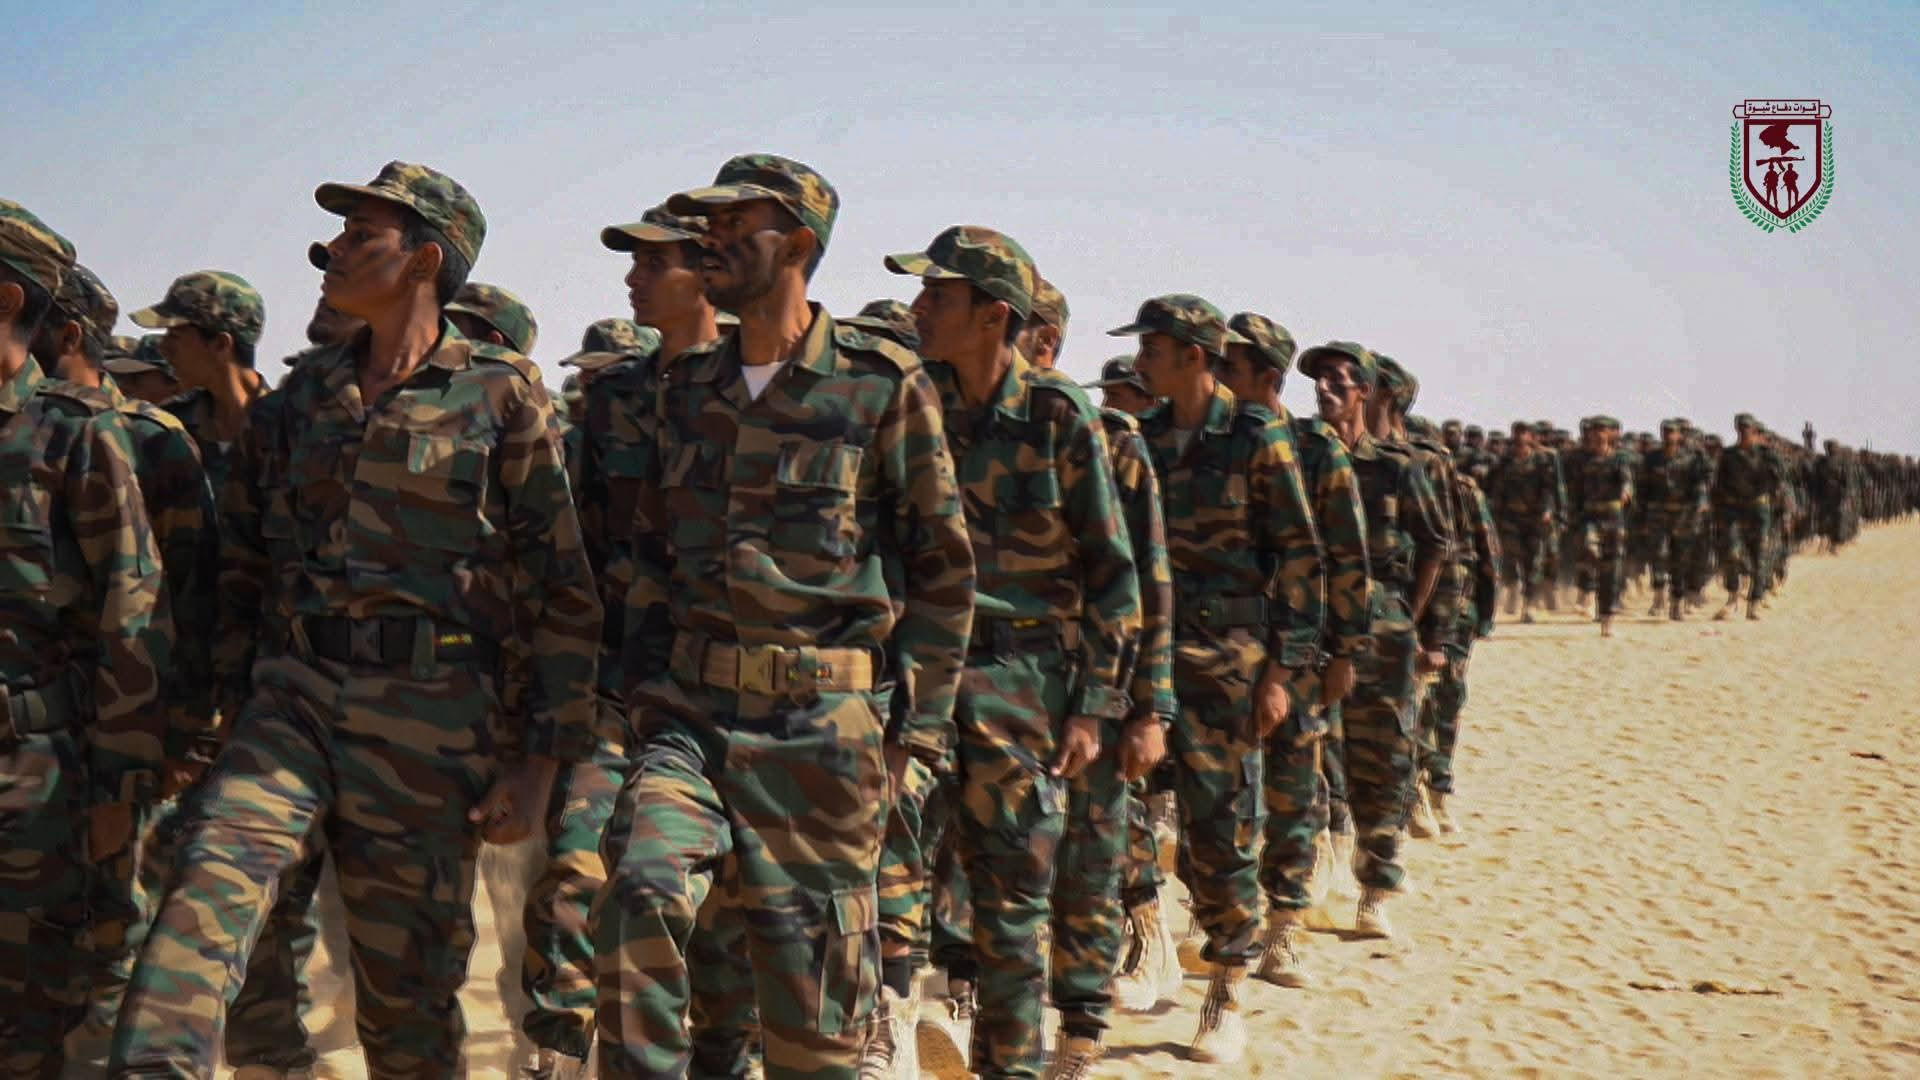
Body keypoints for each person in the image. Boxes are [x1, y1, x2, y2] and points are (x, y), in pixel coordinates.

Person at [111, 160, 601, 1077]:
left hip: (431, 722)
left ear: (424, 260)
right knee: (196, 911)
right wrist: (225, 714)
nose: (332, 249)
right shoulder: (300, 400)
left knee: (407, 1015)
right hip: (291, 704)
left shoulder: (500, 394)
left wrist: (539, 764)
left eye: (360, 234)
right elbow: (243, 569)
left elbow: (559, 590)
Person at [590, 153, 975, 1078]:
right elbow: (649, 556)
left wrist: (914, 736)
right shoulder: (687, 389)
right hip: (690, 717)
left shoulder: (881, 385)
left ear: (797, 245)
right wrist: (637, 698)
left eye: (735, 227)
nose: (712, 242)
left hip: (822, 737)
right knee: (641, 887)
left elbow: (943, 570)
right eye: (708, 227)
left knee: (814, 1034)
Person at [888, 227, 1139, 1078]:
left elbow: (1114, 576)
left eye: (939, 296)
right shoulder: (912, 401)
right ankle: (892, 1032)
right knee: (884, 874)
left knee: (1009, 912)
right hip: (919, 679)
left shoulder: (1058, 417)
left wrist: (1096, 708)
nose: (919, 308)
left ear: (995, 315)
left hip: (1023, 684)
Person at [1111, 294, 1325, 1063]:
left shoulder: (1256, 437)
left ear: (1193, 356)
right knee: (1116, 807)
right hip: (1148, 654)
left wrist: (1282, 674)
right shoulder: (1143, 439)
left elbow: (1300, 559)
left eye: (1152, 349)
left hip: (1230, 661)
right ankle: (1147, 939)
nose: (1141, 362)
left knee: (1218, 831)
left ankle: (1227, 988)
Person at [0, 198, 173, 1077]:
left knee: (31, 1016)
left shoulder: (72, 432)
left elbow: (131, 619)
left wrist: (121, 793)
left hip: (33, 780)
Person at [36, 264, 219, 1075]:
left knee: (106, 932)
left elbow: (189, 600)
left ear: (68, 336)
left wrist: (178, 741)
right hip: (38, 740)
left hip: (114, 730)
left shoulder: (150, 438)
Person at [1023, 277, 1173, 1072]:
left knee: (1087, 863)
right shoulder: (945, 426)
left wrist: (1149, 710)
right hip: (996, 686)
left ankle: (1080, 1033)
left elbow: (1145, 582)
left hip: (1091, 687)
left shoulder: (1110, 439)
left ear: (1042, 340)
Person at [1219, 310, 1369, 989]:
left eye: (1230, 366)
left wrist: (1345, 651)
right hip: (1231, 648)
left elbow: (1346, 556)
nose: (1218, 377)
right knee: (1228, 793)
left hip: (1302, 653)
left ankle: (1283, 930)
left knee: (1291, 791)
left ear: (1266, 377)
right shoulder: (1222, 442)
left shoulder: (1314, 449)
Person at [1298, 342, 1444, 942]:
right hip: (1314, 620)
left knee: (1383, 757)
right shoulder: (1301, 455)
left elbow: (1435, 544)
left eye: (1338, 379)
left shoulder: (1395, 466)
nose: (1325, 389)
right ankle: (1320, 863)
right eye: (1319, 380)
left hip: (1383, 630)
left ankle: (1376, 887)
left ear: (1364, 390)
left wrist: (1408, 616)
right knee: (1312, 750)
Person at [1711, 413, 1787, 621]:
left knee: (1759, 557)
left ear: (1754, 431)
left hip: (1758, 509)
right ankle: (1733, 598)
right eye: (1741, 427)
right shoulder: (1728, 455)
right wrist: (1718, 510)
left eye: (1748, 428)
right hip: (1733, 510)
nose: (1744, 431)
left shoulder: (1767, 455)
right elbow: (1718, 484)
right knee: (1731, 553)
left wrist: (1780, 506)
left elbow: (1780, 481)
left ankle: (1755, 602)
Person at [1576, 416, 1635, 636]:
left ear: (1611, 434)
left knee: (1611, 569)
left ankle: (1607, 618)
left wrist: (1626, 493)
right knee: (1588, 549)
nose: (1599, 434)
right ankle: (1588, 593)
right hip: (1590, 517)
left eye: (1604, 429)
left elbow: (1627, 482)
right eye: (1596, 430)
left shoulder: (1619, 459)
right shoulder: (1582, 459)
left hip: (1613, 518)